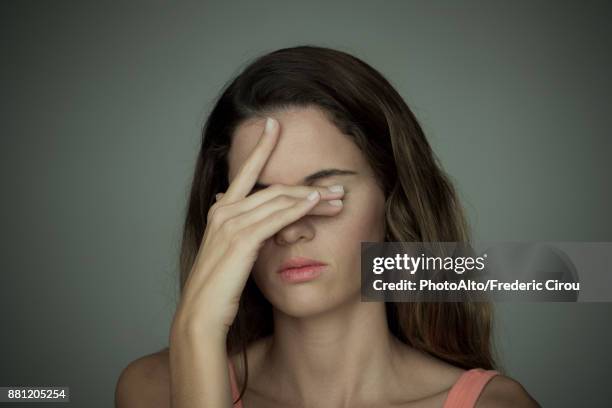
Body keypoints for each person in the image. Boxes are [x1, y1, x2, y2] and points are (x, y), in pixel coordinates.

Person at [115, 45, 540, 407]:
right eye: (261, 202)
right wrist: (196, 331)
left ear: (393, 200)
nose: (290, 230)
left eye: (323, 194)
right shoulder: (152, 391)